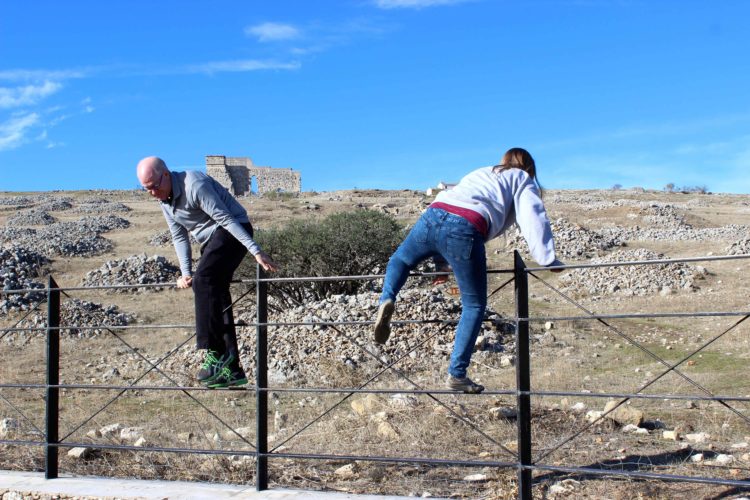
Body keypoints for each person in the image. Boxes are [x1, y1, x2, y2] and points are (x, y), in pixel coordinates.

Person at [373, 148, 563, 394]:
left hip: (433, 214)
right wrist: (547, 258)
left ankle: (387, 297)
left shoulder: (482, 172)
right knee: (473, 306)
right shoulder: (521, 178)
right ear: (528, 168)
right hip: (465, 227)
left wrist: (441, 263)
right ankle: (457, 375)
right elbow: (532, 215)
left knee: (400, 260)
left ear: (504, 161)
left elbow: (451, 208)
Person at [136, 156, 278, 388]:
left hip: (233, 229)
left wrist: (255, 250)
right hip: (211, 241)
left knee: (204, 280)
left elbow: (225, 218)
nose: (152, 193)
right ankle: (232, 369)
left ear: (166, 174)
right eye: (146, 189)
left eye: (154, 186)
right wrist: (185, 272)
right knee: (215, 290)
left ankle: (214, 353)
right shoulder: (165, 201)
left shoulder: (194, 184)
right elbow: (179, 235)